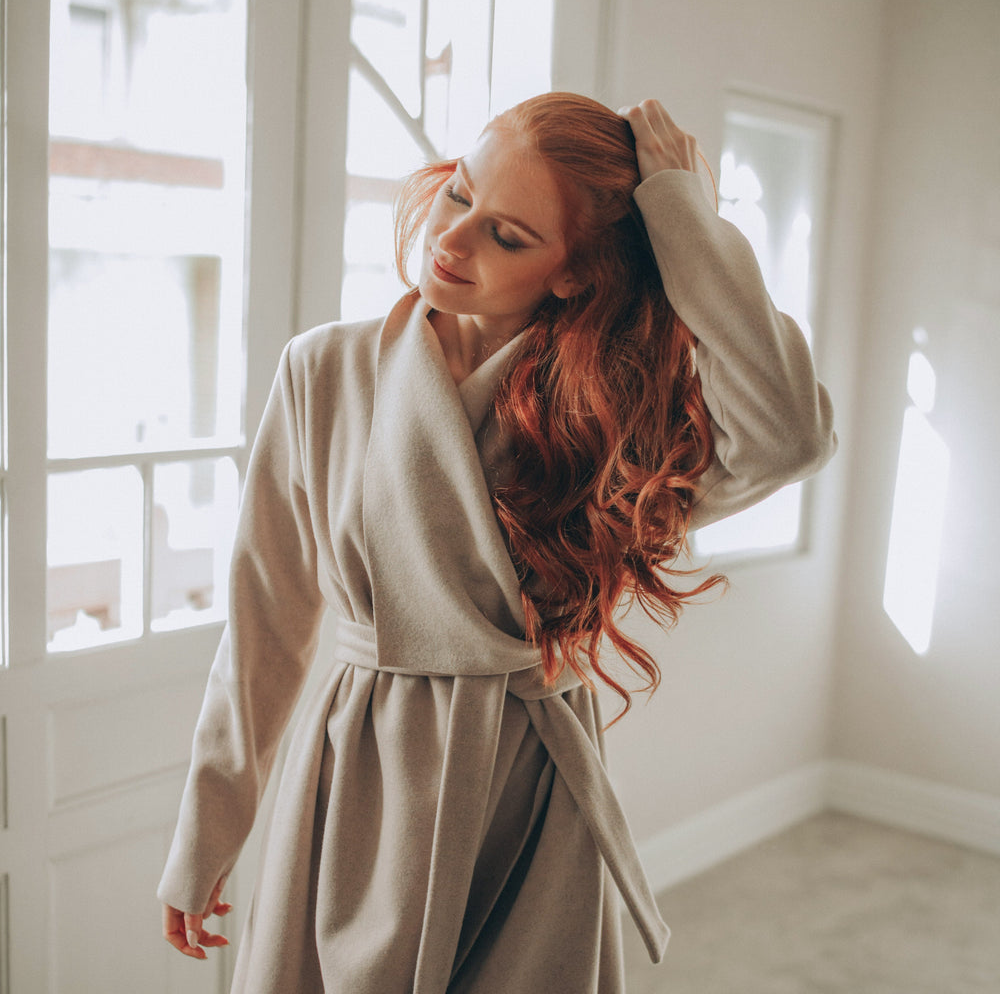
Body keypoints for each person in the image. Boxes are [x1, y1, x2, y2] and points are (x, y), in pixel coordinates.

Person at [159, 93, 836, 992]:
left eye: (508, 235)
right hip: (363, 776)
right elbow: (265, 622)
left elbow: (788, 433)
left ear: (573, 274)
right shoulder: (322, 371)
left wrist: (682, 216)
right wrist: (210, 828)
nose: (452, 239)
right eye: (458, 194)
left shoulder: (610, 421)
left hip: (529, 787)